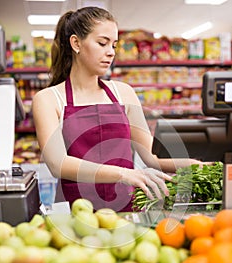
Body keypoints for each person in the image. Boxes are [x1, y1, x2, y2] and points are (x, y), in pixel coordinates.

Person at [32, 6, 203, 212]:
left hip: (127, 209)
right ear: (76, 43)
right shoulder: (49, 99)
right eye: (102, 43)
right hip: (76, 212)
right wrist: (123, 174)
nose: (110, 52)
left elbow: (152, 157)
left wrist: (196, 165)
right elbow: (58, 163)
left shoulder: (124, 93)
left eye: (114, 45)